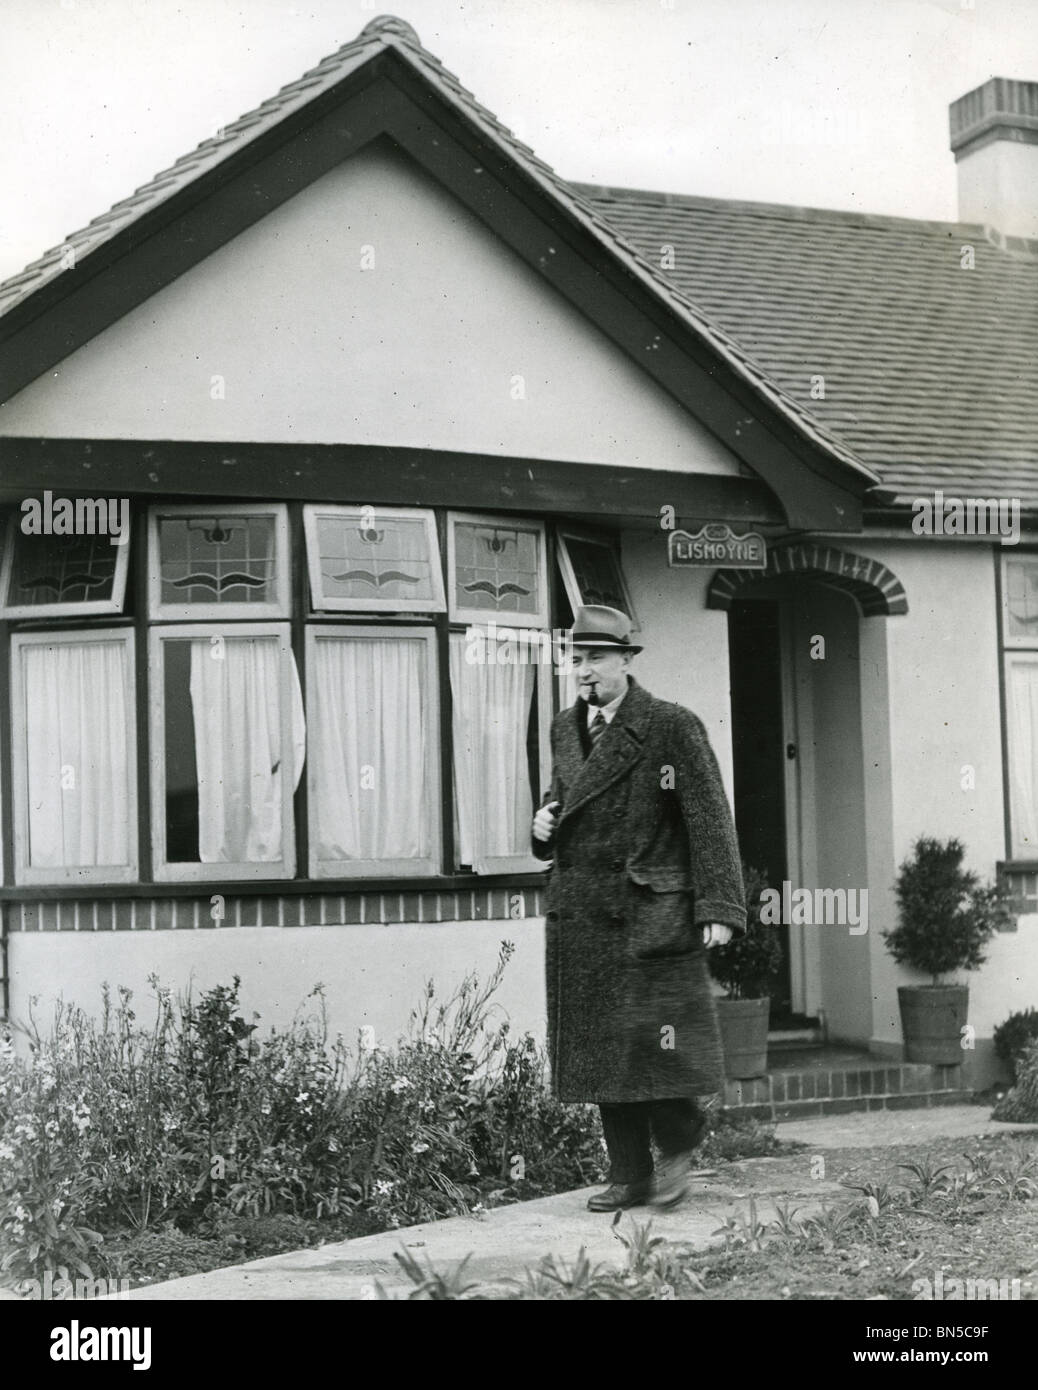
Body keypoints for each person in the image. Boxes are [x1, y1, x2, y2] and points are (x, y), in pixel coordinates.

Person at [532, 605, 746, 1211]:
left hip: (649, 909)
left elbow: (707, 817)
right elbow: (564, 803)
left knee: (656, 1045)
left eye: (597, 657)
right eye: (577, 659)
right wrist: (543, 826)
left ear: (627, 661)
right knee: (602, 1048)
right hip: (582, 910)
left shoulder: (671, 726)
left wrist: (719, 904)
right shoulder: (563, 728)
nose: (584, 671)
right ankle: (629, 1175)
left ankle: (678, 1145)